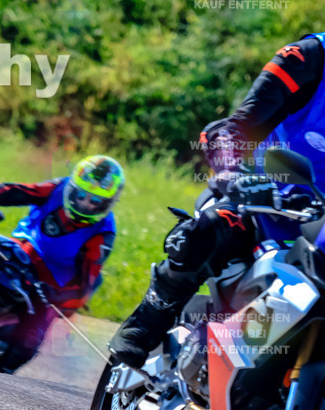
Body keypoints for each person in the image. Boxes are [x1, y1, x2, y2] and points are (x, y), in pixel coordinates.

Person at [109, 32, 325, 369]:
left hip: (317, 225)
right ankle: (148, 320)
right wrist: (231, 170)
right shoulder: (310, 56)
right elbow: (236, 126)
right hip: (259, 196)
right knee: (216, 227)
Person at [0, 154, 123, 371]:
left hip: (47, 283)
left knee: (30, 338)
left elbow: (87, 281)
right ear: (72, 189)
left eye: (96, 201)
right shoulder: (58, 187)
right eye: (81, 196)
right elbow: (22, 191)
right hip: (17, 252)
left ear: (108, 203)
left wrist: (58, 294)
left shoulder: (104, 232)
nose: (86, 204)